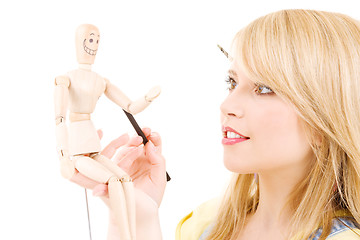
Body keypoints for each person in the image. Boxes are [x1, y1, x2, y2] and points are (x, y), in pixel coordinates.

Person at [71, 9, 360, 240]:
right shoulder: (204, 225)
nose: (227, 106)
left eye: (263, 89)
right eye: (232, 82)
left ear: (324, 121)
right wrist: (132, 220)